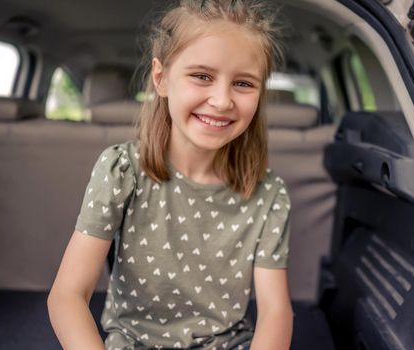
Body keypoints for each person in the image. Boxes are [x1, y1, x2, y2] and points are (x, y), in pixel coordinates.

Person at [47, 0, 293, 349]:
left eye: (243, 83)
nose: (222, 100)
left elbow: (275, 312)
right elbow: (67, 296)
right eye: (202, 76)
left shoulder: (269, 194)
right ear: (161, 78)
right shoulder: (122, 170)